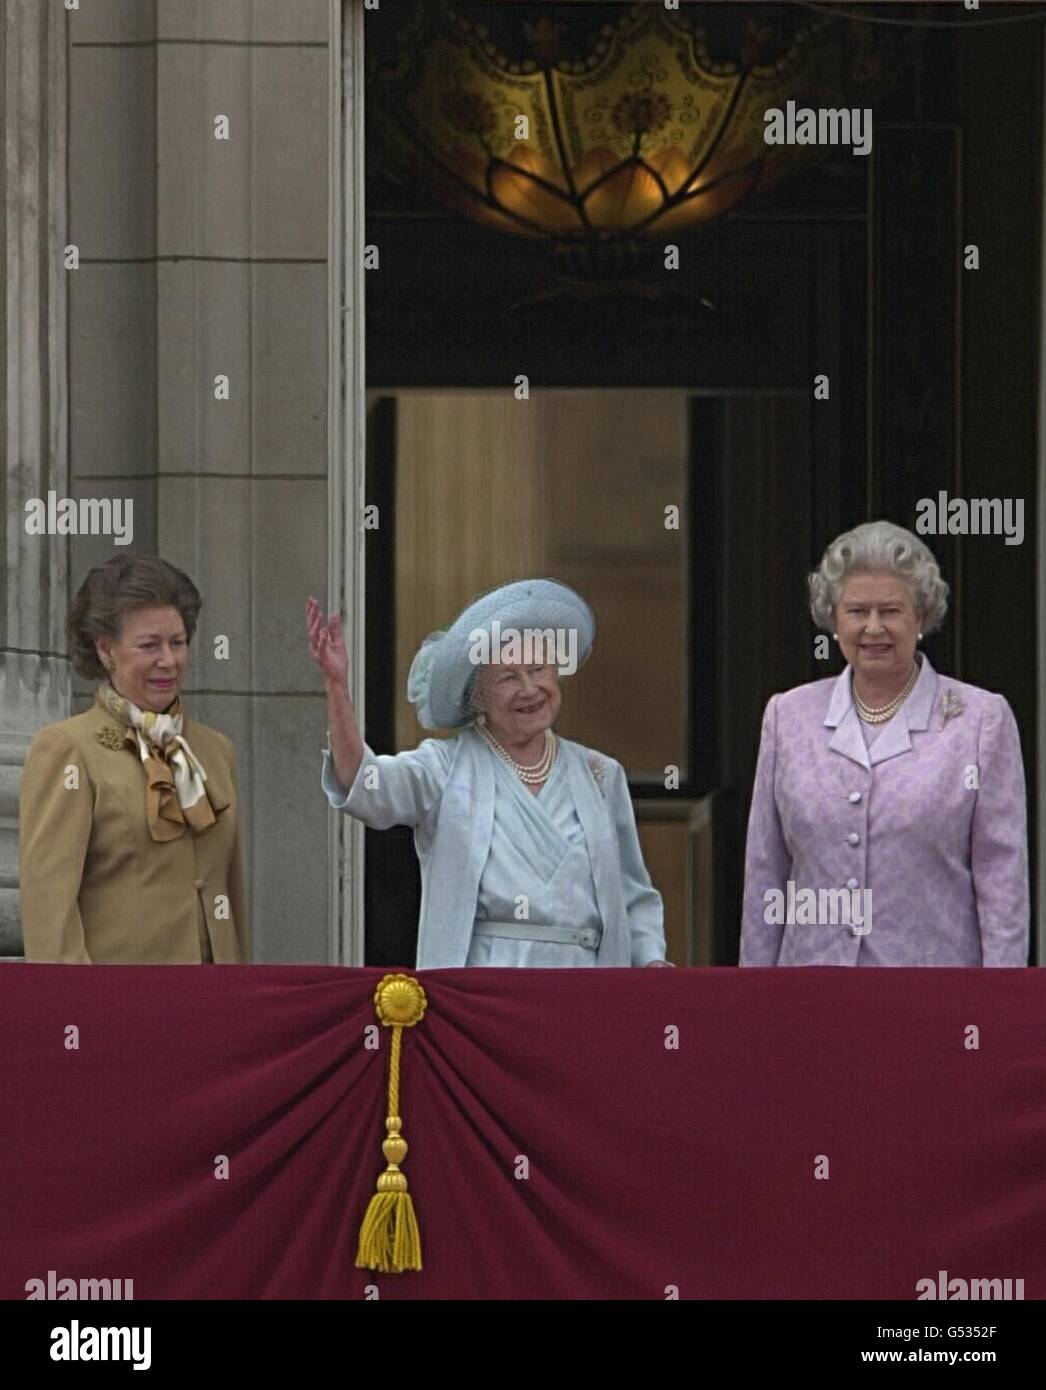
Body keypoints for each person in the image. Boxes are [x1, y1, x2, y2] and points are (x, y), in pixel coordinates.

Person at [308, 578, 670, 968]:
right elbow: (365, 785)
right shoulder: (444, 768)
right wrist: (336, 687)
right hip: (482, 987)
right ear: (477, 695)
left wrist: (651, 961)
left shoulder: (600, 774)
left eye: (538, 669)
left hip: (585, 986)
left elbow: (634, 892)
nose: (529, 689)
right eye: (508, 677)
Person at [740, 520, 1028, 967]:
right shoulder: (788, 716)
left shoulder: (979, 721)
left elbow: (1003, 883)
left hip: (933, 996)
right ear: (834, 619)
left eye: (891, 611)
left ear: (921, 617)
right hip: (811, 994)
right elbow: (765, 872)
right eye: (857, 611)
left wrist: (998, 1009)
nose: (873, 628)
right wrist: (753, 1000)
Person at [19, 555, 248, 963]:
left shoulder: (215, 751)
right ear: (106, 649)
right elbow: (49, 912)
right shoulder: (68, 749)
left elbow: (229, 894)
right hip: (119, 1008)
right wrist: (79, 1015)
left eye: (177, 643)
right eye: (149, 645)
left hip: (215, 1003)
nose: (168, 660)